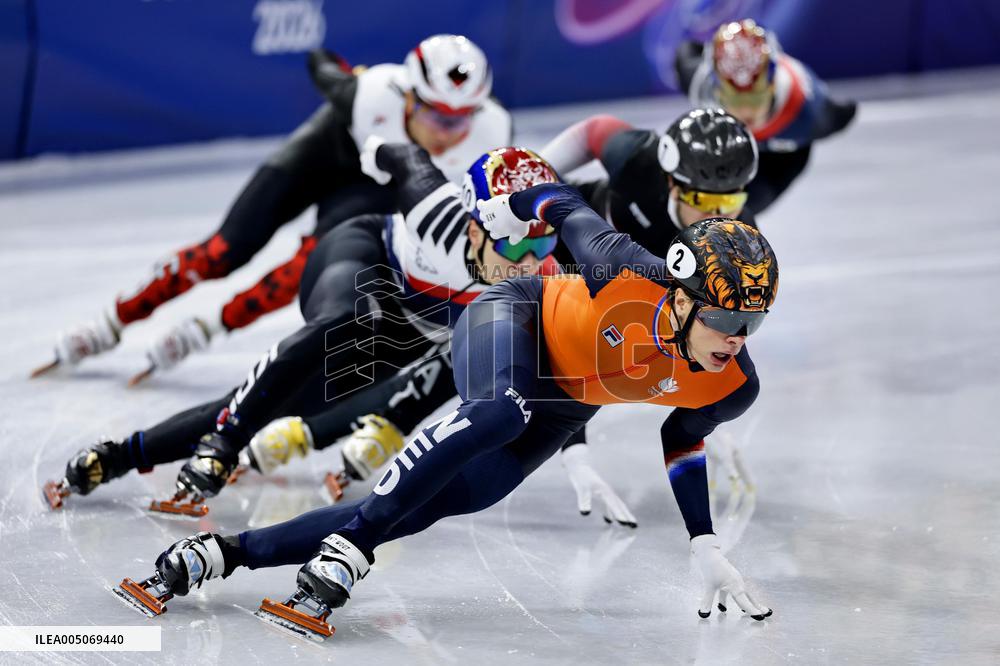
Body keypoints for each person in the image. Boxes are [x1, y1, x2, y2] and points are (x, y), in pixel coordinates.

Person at [119, 183, 779, 636]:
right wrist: (500, 214)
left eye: (753, 322)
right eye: (726, 316)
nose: (737, 337)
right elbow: (560, 200)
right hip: (514, 317)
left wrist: (705, 541)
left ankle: (223, 554)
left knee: (440, 498)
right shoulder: (624, 270)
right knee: (499, 412)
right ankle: (350, 546)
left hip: (561, 406)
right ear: (685, 295)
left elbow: (683, 438)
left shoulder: (732, 383)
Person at [249, 107, 759, 522]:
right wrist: (521, 195)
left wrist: (707, 412)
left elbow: (623, 360)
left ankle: (371, 428)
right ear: (671, 180)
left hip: (608, 283)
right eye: (701, 198)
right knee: (493, 353)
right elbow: (590, 135)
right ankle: (337, 426)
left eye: (732, 200)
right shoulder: (635, 157)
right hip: (561, 245)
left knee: (488, 359)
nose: (720, 213)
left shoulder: (727, 242)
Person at [43, 142, 559, 512]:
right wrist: (372, 152)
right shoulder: (435, 212)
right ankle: (223, 445)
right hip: (358, 257)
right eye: (516, 246)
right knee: (345, 320)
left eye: (543, 246)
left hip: (402, 333)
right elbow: (405, 156)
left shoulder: (544, 276)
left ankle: (116, 457)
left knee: (279, 398)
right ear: (474, 227)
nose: (528, 262)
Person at [34, 35, 511, 379]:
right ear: (408, 95)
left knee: (306, 267)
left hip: (371, 187)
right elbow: (319, 61)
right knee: (223, 251)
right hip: (324, 154)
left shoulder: (492, 134)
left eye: (462, 118)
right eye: (436, 115)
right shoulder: (368, 94)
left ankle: (208, 328)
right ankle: (113, 321)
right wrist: (348, 71)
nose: (449, 131)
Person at [675, 18, 857, 213]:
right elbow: (685, 51)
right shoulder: (699, 83)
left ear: (773, 86)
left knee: (737, 210)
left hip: (780, 158)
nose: (746, 113)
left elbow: (846, 112)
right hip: (735, 140)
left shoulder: (810, 114)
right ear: (717, 90)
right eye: (734, 100)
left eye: (755, 99)